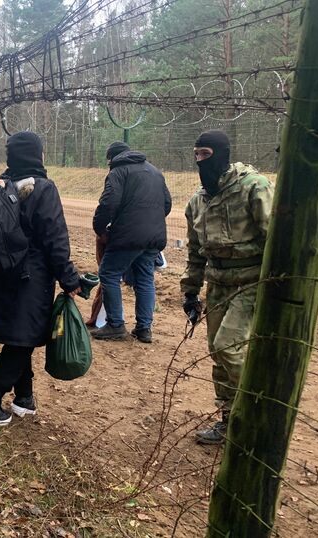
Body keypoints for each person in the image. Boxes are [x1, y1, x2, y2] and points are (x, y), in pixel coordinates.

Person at [0, 132, 81, 427]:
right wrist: (70, 279)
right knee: (23, 340)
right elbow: (55, 238)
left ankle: (24, 398)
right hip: (29, 277)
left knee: (22, 335)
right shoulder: (43, 188)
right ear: (37, 155)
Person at [181, 130, 274, 445]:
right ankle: (229, 420)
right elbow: (195, 252)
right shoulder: (198, 201)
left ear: (222, 153)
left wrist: (279, 285)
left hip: (251, 281)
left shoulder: (253, 188)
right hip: (217, 283)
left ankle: (257, 419)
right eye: (196, 155)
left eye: (205, 154)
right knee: (218, 355)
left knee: (229, 347)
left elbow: (274, 239)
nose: (200, 161)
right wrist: (190, 292)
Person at [91, 141, 172, 343]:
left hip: (128, 236)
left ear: (112, 158)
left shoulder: (118, 172)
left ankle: (115, 325)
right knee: (145, 278)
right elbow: (167, 203)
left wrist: (100, 228)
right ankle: (144, 329)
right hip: (153, 237)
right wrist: (151, 223)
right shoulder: (155, 171)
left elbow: (109, 202)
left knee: (108, 273)